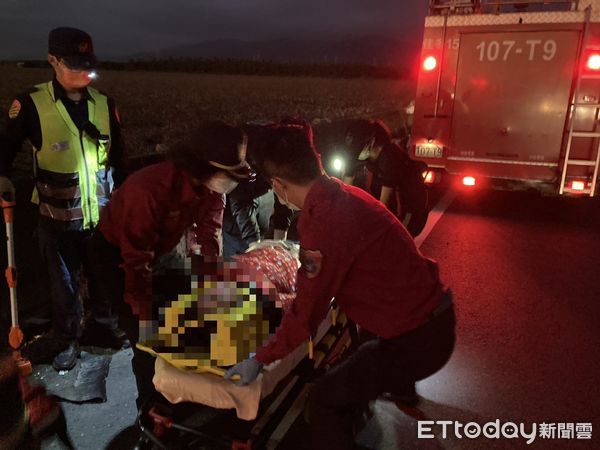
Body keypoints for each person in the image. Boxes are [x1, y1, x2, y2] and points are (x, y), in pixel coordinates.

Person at [225, 125, 455, 450]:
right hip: (431, 319)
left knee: (324, 400)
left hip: (418, 337)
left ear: (277, 185)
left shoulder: (324, 223)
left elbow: (305, 314)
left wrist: (259, 358)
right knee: (358, 368)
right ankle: (372, 408)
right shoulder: (343, 194)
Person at [85, 121, 251, 407]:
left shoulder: (212, 189)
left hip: (160, 249)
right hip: (116, 256)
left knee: (188, 310)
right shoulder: (150, 189)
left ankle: (185, 390)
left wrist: (211, 280)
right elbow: (136, 258)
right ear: (204, 166)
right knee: (147, 338)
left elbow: (210, 234)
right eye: (229, 173)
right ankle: (150, 410)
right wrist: (143, 310)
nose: (230, 181)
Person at [0, 27, 125, 370]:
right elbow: (6, 150)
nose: (85, 72)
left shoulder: (104, 104)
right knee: (64, 285)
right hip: (55, 219)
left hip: (101, 217)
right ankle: (66, 336)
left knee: (103, 277)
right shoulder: (29, 104)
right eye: (75, 64)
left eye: (89, 64)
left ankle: (104, 329)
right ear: (52, 61)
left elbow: (119, 160)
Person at [315, 119, 429, 236]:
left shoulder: (390, 158)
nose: (355, 155)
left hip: (411, 207)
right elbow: (345, 188)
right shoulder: (362, 153)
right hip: (390, 201)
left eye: (357, 151)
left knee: (397, 241)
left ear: (370, 143)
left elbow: (383, 205)